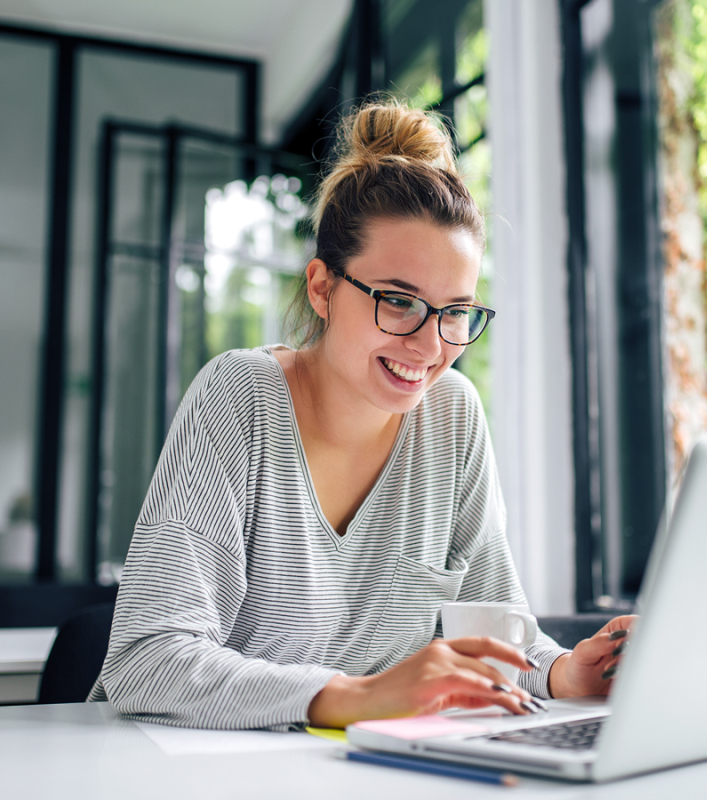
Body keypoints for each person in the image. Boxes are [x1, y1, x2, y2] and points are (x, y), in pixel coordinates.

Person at [88, 100, 634, 730]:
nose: (431, 348)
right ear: (323, 288)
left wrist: (566, 673)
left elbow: (495, 637)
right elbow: (146, 657)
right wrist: (355, 697)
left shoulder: (452, 417)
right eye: (399, 302)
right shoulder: (241, 396)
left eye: (456, 311)